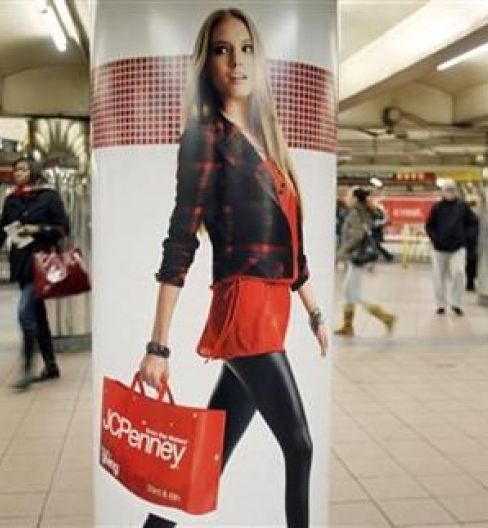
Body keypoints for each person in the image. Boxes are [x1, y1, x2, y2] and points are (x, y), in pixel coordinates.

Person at [139, 9, 328, 528]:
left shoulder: (268, 138)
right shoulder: (205, 136)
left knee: (207, 457)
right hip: (243, 307)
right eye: (223, 50)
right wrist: (158, 346)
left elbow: (288, 240)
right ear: (207, 62)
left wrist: (311, 310)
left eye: (245, 48)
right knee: (301, 445)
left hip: (272, 307)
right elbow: (181, 241)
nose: (236, 60)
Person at [0, 157, 69, 390]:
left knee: (26, 313)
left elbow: (63, 228)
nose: (19, 173)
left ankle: (27, 369)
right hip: (22, 266)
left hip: (43, 265)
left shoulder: (49, 197)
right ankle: (51, 365)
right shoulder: (12, 200)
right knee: (38, 316)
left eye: (24, 169)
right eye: (16, 170)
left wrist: (38, 229)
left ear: (34, 171)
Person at [335, 187, 396, 336]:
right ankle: (347, 326)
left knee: (354, 294)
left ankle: (386, 317)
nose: (346, 198)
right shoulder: (362, 211)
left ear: (355, 198)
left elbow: (356, 235)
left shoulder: (355, 212)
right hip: (358, 256)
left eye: (349, 195)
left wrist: (341, 252)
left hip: (357, 257)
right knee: (347, 291)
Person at [425, 180, 478, 316]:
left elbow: (473, 223)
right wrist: (435, 239)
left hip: (458, 248)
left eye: (452, 190)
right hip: (439, 249)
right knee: (438, 277)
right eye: (447, 190)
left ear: (456, 192)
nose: (450, 193)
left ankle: (455, 303)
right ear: (442, 192)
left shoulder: (463, 207)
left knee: (459, 273)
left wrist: (466, 238)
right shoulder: (436, 207)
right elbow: (429, 225)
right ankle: (440, 304)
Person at [465, 198, 480, 291]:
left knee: (471, 263)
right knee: (471, 264)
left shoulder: (470, 216)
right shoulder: (472, 217)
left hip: (471, 243)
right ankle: (470, 283)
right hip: (471, 244)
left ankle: (470, 283)